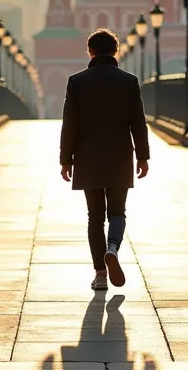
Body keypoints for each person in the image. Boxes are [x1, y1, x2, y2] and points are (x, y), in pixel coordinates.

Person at [59, 28, 151, 291]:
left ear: (90, 51)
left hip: (88, 158)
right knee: (118, 212)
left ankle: (100, 274)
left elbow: (70, 125)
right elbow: (138, 123)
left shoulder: (76, 81)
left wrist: (66, 159)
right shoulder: (129, 81)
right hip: (120, 155)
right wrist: (143, 156)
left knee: (95, 217)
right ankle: (113, 248)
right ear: (116, 50)